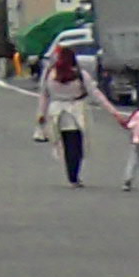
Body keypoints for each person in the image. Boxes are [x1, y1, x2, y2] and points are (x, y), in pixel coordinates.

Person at [36, 44, 99, 186]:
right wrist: (114, 112)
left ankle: (72, 176)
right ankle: (74, 175)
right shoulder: (80, 75)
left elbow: (44, 95)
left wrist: (41, 114)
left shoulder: (49, 75)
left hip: (57, 113)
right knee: (77, 146)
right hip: (77, 112)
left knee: (65, 145)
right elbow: (95, 93)